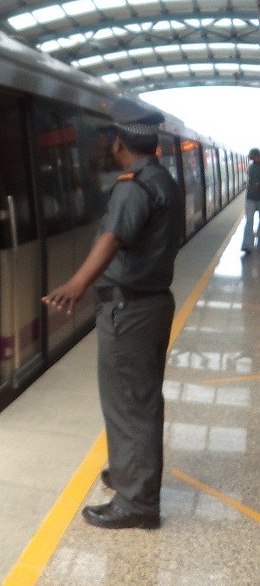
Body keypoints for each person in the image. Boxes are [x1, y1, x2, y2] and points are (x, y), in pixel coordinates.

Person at [42, 100, 183, 530]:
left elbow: (112, 238)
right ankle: (128, 473)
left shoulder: (133, 185)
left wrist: (77, 283)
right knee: (135, 397)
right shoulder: (164, 179)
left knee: (129, 403)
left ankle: (137, 501)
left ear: (117, 141)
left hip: (130, 309)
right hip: (149, 303)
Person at [241, 147, 260, 255]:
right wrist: (250, 185)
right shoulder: (250, 167)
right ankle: (247, 245)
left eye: (253, 156)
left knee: (251, 221)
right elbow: (247, 182)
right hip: (250, 198)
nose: (252, 159)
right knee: (249, 221)